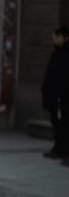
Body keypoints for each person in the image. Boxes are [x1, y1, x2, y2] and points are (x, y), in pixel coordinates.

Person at [41, 26, 69, 162]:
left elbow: (62, 76)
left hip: (63, 96)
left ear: (65, 38)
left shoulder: (65, 54)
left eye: (57, 37)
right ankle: (58, 149)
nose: (55, 40)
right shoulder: (56, 53)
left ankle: (64, 151)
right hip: (54, 96)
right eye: (54, 37)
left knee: (64, 124)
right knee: (56, 123)